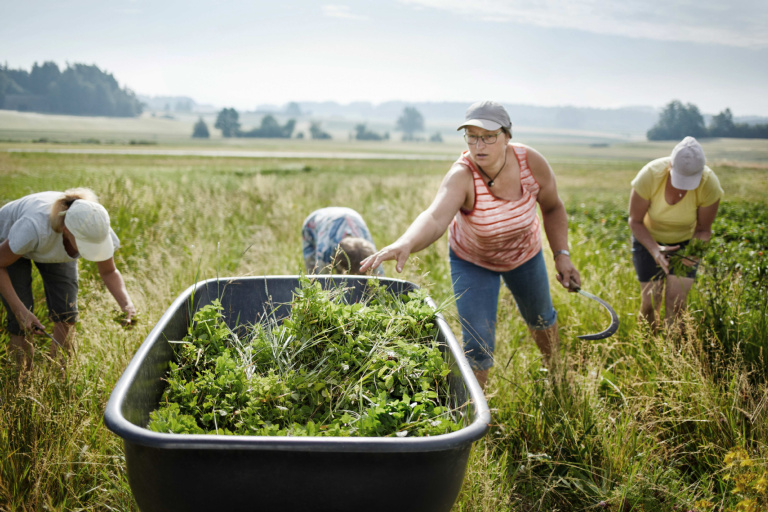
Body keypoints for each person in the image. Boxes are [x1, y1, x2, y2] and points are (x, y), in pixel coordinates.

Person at [359, 100, 580, 388]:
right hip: (473, 262)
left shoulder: (531, 163)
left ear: (507, 136)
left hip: (525, 255)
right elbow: (436, 217)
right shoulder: (462, 175)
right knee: (477, 343)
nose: (479, 145)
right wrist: (406, 243)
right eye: (472, 137)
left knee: (541, 318)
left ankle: (557, 376)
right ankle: (476, 412)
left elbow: (552, 207)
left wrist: (562, 255)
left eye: (488, 136)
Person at [0, 188, 136, 370]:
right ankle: (23, 379)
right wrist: (20, 310)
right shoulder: (34, 227)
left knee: (67, 315)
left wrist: (126, 305)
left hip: (47, 244)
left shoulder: (96, 226)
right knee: (21, 322)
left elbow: (109, 272)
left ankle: (58, 375)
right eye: (83, 244)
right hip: (9, 241)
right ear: (66, 230)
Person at [628, 136, 723, 330]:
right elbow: (635, 221)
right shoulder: (650, 174)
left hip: (686, 245)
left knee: (677, 304)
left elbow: (704, 230)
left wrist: (694, 252)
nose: (683, 187)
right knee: (650, 304)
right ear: (670, 165)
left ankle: (674, 351)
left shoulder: (709, 183)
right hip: (648, 241)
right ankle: (649, 348)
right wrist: (655, 250)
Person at [301, 207, 384, 275]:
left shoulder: (366, 242)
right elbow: (321, 279)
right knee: (312, 274)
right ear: (336, 259)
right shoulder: (324, 249)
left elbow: (379, 274)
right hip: (314, 224)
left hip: (351, 216)